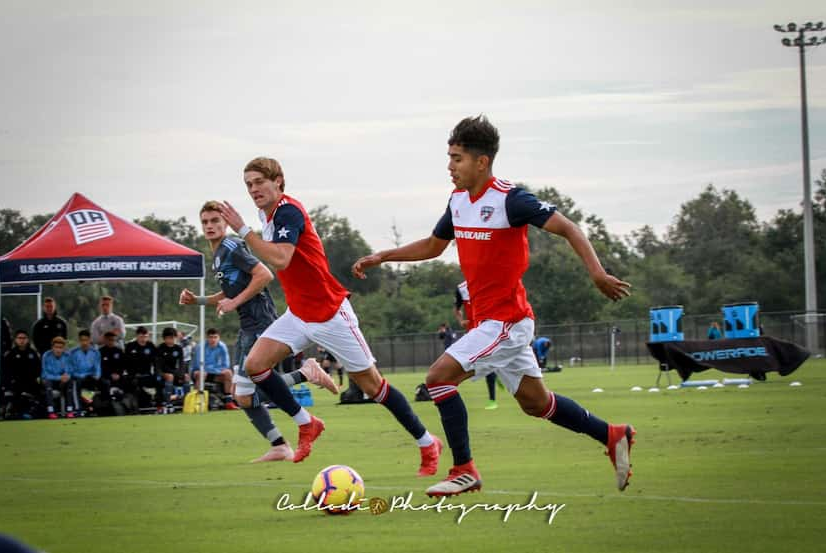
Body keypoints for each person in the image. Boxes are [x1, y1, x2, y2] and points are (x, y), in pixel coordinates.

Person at [352, 115, 635, 496]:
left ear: (481, 162)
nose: (450, 166)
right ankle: (612, 434)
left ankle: (464, 469)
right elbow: (434, 246)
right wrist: (385, 255)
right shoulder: (457, 201)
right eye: (449, 158)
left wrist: (598, 274)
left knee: (438, 379)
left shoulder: (510, 199)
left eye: (457, 158)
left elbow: (568, 227)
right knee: (537, 404)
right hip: (491, 323)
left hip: (506, 321)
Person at [215, 156, 441, 473]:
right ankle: (307, 423)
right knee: (255, 365)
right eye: (248, 184)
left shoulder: (288, 211)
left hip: (330, 313)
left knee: (373, 387)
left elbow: (280, 259)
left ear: (278, 181)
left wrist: (241, 229)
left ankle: (427, 443)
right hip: (299, 315)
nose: (254, 189)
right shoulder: (267, 215)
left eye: (259, 182)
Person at [180, 201, 337, 461]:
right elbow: (230, 292)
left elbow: (264, 274)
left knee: (244, 393)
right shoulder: (219, 254)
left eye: (215, 221)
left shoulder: (230, 246)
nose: (210, 226)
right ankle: (278, 444)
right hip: (247, 326)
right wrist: (197, 300)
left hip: (260, 323)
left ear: (225, 223)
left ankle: (304, 374)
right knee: (241, 396)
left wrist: (234, 302)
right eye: (205, 222)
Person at [454, 280, 498, 410]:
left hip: (490, 329)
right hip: (473, 332)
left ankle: (492, 400)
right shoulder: (461, 288)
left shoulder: (487, 282)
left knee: (486, 364)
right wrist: (461, 321)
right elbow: (457, 309)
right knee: (476, 364)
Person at [191, 328, 239, 409]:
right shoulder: (200, 347)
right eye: (211, 337)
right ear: (207, 338)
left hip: (215, 373)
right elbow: (199, 365)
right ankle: (197, 401)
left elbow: (226, 365)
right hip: (200, 373)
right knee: (201, 373)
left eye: (215, 337)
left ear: (219, 337)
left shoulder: (222, 346)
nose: (213, 339)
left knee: (228, 373)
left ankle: (229, 401)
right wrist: (215, 369)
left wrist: (214, 369)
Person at [2, 330, 41, 419]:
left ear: (27, 340)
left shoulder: (33, 353)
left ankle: (31, 412)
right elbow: (6, 372)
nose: (22, 340)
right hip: (15, 383)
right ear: (15, 340)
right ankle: (11, 412)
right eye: (19, 338)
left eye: (24, 338)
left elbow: (38, 369)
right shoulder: (10, 354)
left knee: (39, 393)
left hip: (30, 383)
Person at [68, 329, 105, 416]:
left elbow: (97, 367)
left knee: (103, 383)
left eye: (86, 340)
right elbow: (71, 369)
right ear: (79, 340)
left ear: (89, 340)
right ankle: (79, 409)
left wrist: (97, 376)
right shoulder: (73, 353)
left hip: (90, 378)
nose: (84, 343)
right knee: (77, 383)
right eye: (82, 340)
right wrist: (82, 376)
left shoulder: (95, 352)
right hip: (78, 377)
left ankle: (100, 408)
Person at [155, 327, 189, 412]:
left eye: (173, 338)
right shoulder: (160, 348)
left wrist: (181, 374)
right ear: (164, 338)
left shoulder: (178, 348)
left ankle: (186, 401)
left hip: (173, 372)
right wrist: (160, 374)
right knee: (170, 376)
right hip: (162, 373)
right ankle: (168, 403)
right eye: (169, 338)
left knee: (186, 377)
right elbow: (157, 365)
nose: (171, 340)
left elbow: (181, 363)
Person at [124, 326, 159, 411]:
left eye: (145, 337)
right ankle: (133, 407)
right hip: (133, 375)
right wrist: (132, 374)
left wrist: (157, 373)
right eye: (141, 337)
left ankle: (158, 405)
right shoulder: (130, 346)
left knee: (160, 380)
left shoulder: (151, 346)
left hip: (146, 375)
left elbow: (156, 362)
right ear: (137, 336)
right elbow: (126, 363)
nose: (143, 339)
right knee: (132, 384)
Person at [41, 336, 74, 419]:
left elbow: (69, 371)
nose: (58, 350)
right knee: (47, 382)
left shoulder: (67, 356)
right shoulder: (46, 355)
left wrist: (66, 377)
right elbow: (45, 374)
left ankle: (69, 410)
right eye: (56, 347)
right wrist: (59, 377)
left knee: (70, 381)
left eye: (61, 347)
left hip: (62, 381)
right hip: (50, 380)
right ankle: (51, 411)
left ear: (64, 348)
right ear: (52, 347)